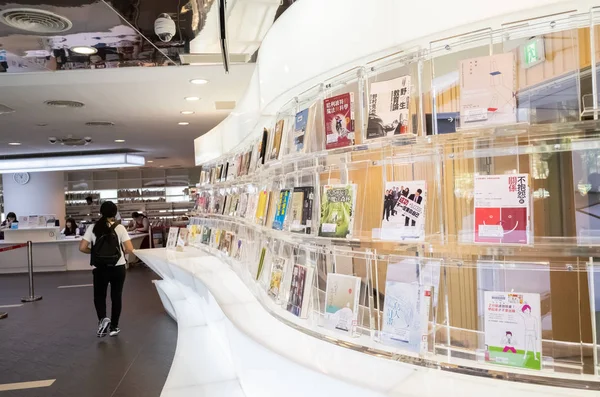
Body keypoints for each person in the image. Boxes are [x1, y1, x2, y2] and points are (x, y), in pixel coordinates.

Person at [79, 201, 134, 338]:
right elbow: (130, 249)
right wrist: (119, 253)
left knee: (99, 296)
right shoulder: (120, 228)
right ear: (115, 213)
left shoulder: (93, 227)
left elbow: (82, 247)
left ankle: (103, 319)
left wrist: (94, 253)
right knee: (116, 296)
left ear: (101, 212)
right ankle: (114, 327)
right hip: (118, 267)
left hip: (100, 267)